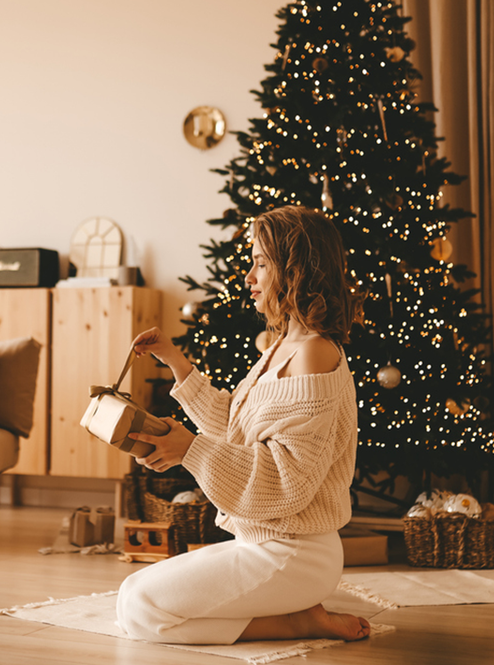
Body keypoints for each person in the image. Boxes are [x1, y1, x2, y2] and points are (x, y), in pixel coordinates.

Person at [115, 205, 371, 645]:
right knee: (131, 594)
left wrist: (189, 450)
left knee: (140, 611)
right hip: (266, 543)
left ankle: (297, 620)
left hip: (296, 552)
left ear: (295, 270)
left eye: (259, 263)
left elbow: (286, 483)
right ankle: (297, 612)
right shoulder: (282, 347)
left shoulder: (313, 354)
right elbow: (236, 427)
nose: (249, 278)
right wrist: (176, 362)